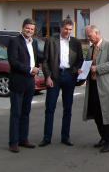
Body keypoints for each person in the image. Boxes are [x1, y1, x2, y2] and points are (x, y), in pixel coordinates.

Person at [39, 19, 84, 147]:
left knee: (67, 108)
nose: (67, 32)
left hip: (69, 76)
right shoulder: (51, 40)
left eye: (70, 29)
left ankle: (65, 137)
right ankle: (47, 137)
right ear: (61, 28)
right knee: (50, 108)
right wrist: (47, 76)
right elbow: (45, 61)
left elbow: (80, 59)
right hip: (54, 76)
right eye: (66, 29)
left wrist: (74, 71)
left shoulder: (75, 42)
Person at [83, 25, 109, 153]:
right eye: (87, 36)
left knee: (107, 113)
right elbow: (88, 63)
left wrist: (97, 68)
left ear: (97, 33)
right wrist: (83, 70)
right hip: (93, 85)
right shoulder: (91, 48)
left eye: (90, 36)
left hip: (106, 86)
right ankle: (103, 138)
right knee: (97, 114)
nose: (89, 39)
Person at [8, 18, 41, 153]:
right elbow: (13, 62)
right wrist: (29, 69)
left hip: (30, 81)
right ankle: (13, 142)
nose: (29, 31)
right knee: (16, 113)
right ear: (23, 28)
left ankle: (23, 139)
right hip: (18, 81)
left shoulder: (34, 43)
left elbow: (37, 58)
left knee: (26, 112)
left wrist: (37, 68)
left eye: (32, 29)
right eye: (27, 28)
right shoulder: (14, 41)